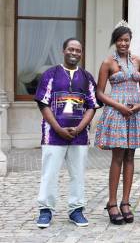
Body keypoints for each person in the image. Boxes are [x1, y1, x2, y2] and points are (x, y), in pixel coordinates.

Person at [34, 38, 99, 228]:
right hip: (53, 134)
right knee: (50, 173)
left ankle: (76, 210)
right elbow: (43, 103)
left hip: (79, 136)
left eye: (78, 50)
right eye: (71, 49)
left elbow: (92, 106)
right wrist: (57, 128)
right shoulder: (50, 74)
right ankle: (45, 211)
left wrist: (79, 128)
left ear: (81, 53)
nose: (74, 53)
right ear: (63, 51)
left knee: (77, 174)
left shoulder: (86, 77)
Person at [94, 23, 140, 224]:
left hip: (134, 112)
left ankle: (126, 202)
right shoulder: (108, 63)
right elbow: (99, 92)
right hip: (117, 112)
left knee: (130, 156)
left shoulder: (139, 61)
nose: (123, 43)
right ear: (115, 41)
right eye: (119, 40)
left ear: (130, 41)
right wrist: (119, 106)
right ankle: (113, 202)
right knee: (117, 156)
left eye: (126, 40)